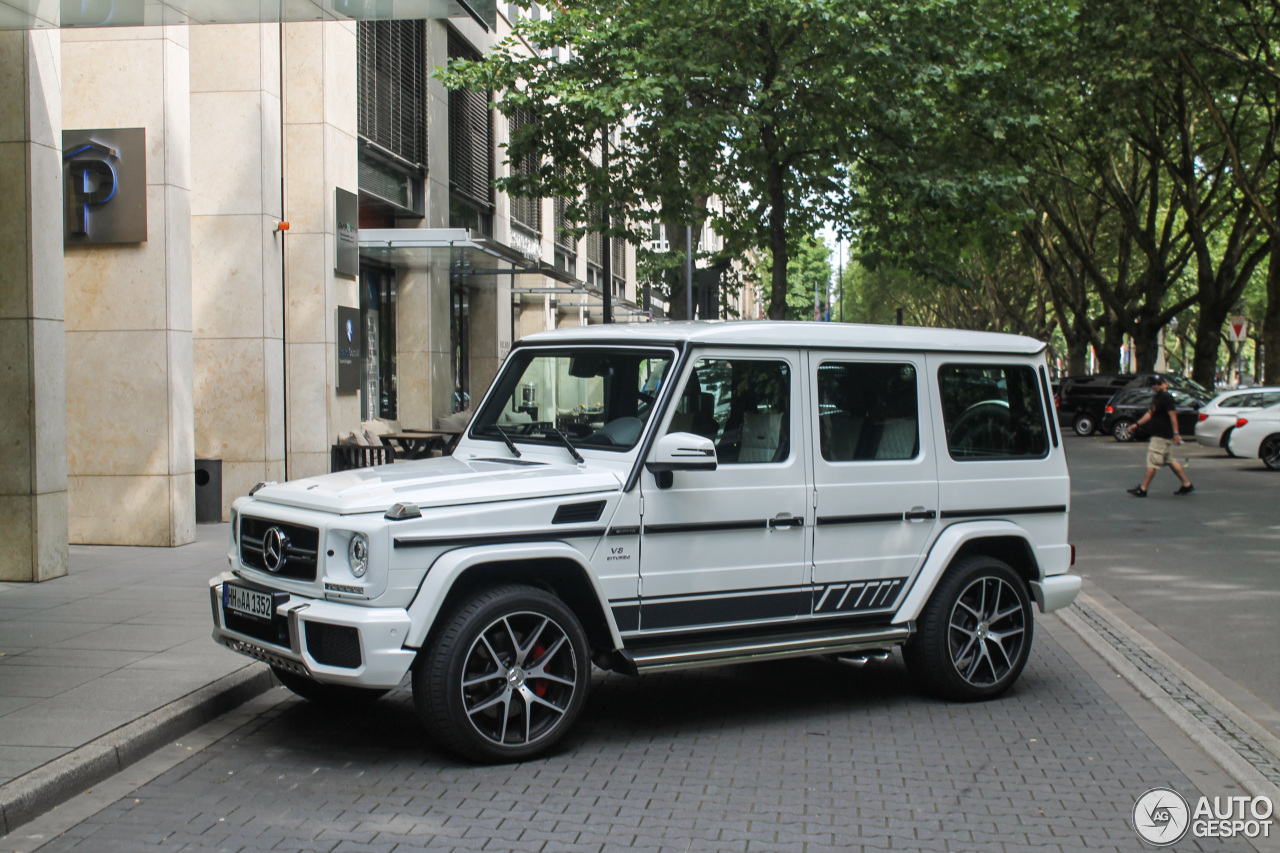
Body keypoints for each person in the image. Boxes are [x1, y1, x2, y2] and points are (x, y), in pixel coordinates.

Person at [1126, 376, 1194, 497]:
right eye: (1153, 384)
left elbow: (1173, 416)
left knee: (1152, 461)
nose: (1155, 386)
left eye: (1158, 383)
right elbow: (1150, 413)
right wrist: (1136, 425)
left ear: (1165, 384)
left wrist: (1176, 433)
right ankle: (1186, 484)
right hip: (1161, 435)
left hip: (1161, 435)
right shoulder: (1157, 397)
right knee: (1171, 461)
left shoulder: (1167, 398)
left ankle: (1143, 489)